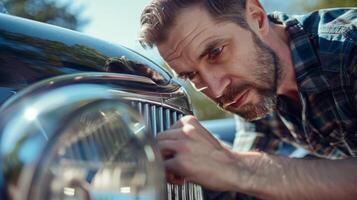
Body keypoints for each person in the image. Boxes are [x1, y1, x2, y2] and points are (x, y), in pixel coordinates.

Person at [139, 0, 357, 199]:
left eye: (215, 52)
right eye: (191, 75)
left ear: (257, 17)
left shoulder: (348, 49)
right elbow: (242, 186)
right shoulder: (256, 91)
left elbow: (241, 170)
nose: (216, 90)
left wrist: (235, 166)